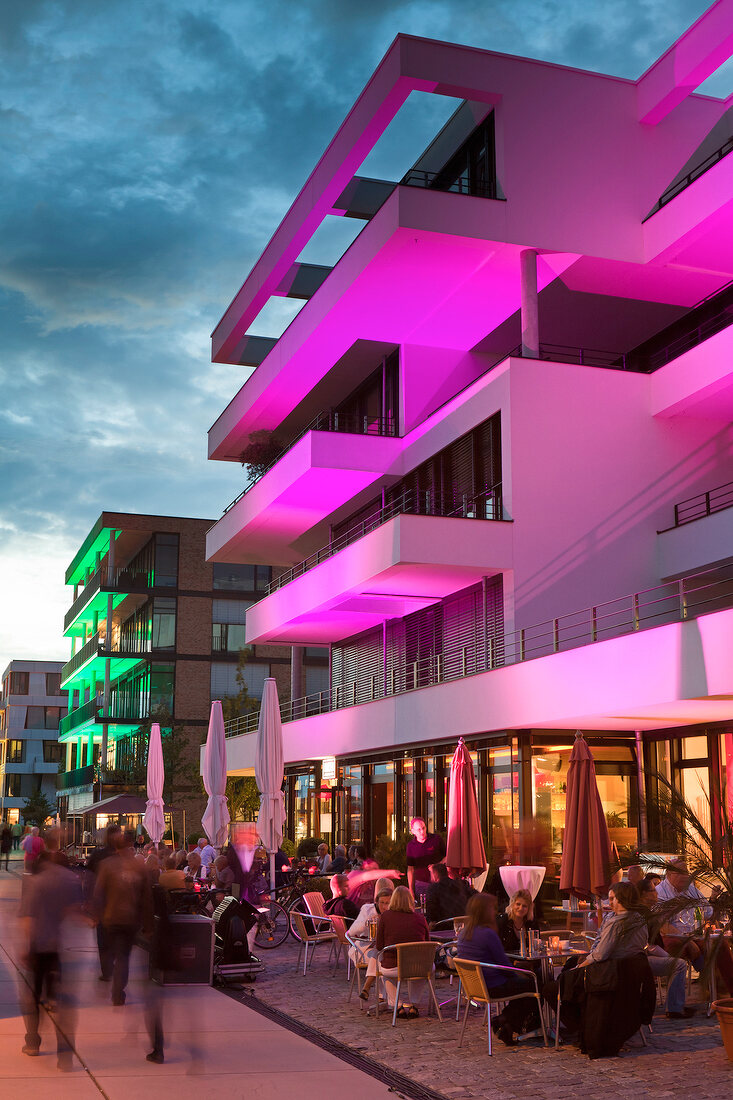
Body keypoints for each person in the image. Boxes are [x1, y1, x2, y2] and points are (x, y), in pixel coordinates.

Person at [19, 850, 82, 1067]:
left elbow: (28, 918)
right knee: (63, 1003)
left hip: (39, 948)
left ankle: (33, 1042)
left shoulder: (36, 882)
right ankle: (64, 1056)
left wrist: (27, 948)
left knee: (32, 998)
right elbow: (74, 911)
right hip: (59, 948)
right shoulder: (69, 879)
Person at [455, 892, 538, 1045]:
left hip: (474, 987)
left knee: (527, 984)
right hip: (493, 985)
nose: (495, 912)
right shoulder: (488, 934)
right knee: (535, 985)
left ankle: (507, 1025)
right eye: (492, 909)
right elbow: (503, 965)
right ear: (485, 911)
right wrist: (519, 975)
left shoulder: (464, 933)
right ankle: (504, 1020)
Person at [93, 829, 153, 1006]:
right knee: (123, 956)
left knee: (112, 951)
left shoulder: (107, 865)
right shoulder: (139, 867)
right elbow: (147, 899)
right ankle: (118, 991)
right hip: (130, 919)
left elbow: (98, 893)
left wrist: (97, 915)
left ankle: (114, 982)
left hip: (111, 918)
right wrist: (148, 926)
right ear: (130, 845)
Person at [657, 859, 733, 996]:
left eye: (686, 872)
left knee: (721, 944)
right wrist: (688, 941)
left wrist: (714, 899)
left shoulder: (692, 890)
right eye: (679, 872)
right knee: (678, 947)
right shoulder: (660, 893)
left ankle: (728, 991)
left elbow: (708, 912)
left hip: (695, 935)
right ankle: (680, 1001)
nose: (684, 876)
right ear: (668, 874)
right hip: (671, 937)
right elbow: (663, 926)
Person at [637, 875, 694, 1018]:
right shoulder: (642, 915)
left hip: (645, 954)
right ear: (643, 894)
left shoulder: (648, 912)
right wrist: (666, 956)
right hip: (639, 958)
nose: (657, 893)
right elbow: (647, 944)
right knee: (679, 964)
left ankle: (677, 1005)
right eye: (653, 891)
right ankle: (675, 1008)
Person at [375, 885, 430, 1018]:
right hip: (418, 967)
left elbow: (379, 945)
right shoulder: (420, 918)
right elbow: (428, 943)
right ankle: (414, 1005)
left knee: (383, 970)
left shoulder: (386, 917)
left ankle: (397, 1006)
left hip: (393, 966)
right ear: (410, 901)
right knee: (421, 966)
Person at [578, 882, 648, 968]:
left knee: (568, 974)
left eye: (612, 899)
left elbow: (600, 955)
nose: (610, 903)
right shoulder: (639, 918)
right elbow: (599, 939)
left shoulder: (617, 923)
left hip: (614, 969)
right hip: (634, 967)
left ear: (621, 899)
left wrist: (579, 967)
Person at [406, 818, 445, 900]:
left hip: (439, 881)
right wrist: (411, 889)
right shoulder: (411, 846)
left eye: (423, 828)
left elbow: (448, 856)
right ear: (413, 831)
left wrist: (438, 865)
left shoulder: (436, 839)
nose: (422, 831)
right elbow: (410, 869)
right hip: (421, 884)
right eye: (419, 829)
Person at [496, 888, 541, 953]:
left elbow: (537, 948)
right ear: (512, 904)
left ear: (529, 908)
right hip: (505, 961)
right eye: (518, 904)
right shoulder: (502, 921)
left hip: (527, 962)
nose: (520, 908)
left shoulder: (531, 923)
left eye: (524, 906)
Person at [425, 863, 466, 929]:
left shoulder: (434, 888)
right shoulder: (460, 885)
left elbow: (431, 911)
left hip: (443, 926)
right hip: (462, 925)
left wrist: (430, 921)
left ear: (435, 874)